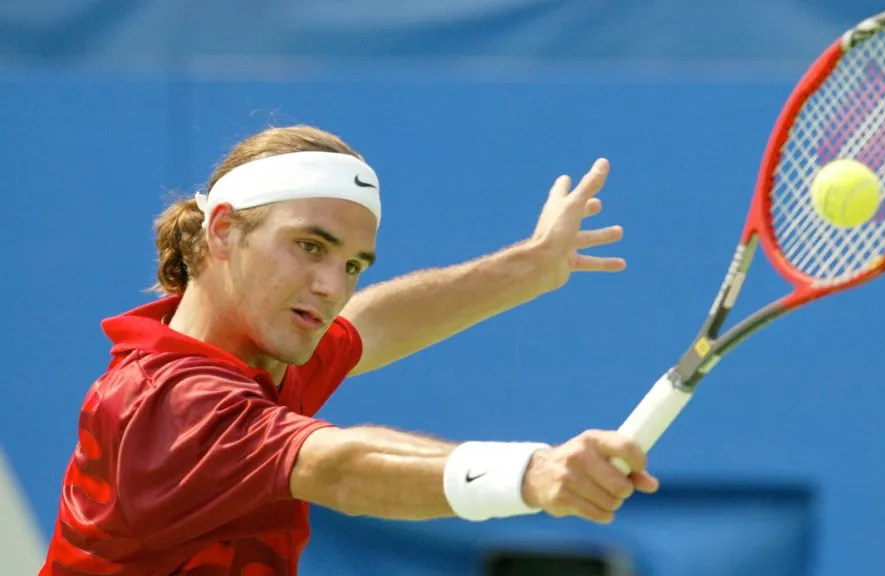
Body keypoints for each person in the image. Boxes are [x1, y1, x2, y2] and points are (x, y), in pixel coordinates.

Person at [40, 124, 659, 575]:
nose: (332, 287)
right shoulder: (170, 403)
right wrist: (531, 472)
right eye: (311, 246)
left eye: (353, 263)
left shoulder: (265, 353)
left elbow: (374, 322)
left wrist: (531, 266)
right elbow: (337, 466)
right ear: (224, 230)